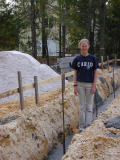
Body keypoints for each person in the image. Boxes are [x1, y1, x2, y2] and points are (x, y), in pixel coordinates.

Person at [71, 39, 98, 131]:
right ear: (80, 47)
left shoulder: (93, 58)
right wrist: (75, 85)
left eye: (85, 45)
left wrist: (94, 85)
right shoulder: (77, 59)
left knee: (89, 106)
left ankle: (88, 125)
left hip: (90, 84)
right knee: (82, 106)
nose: (84, 47)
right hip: (80, 85)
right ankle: (82, 126)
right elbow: (74, 72)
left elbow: (95, 72)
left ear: (88, 46)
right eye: (82, 46)